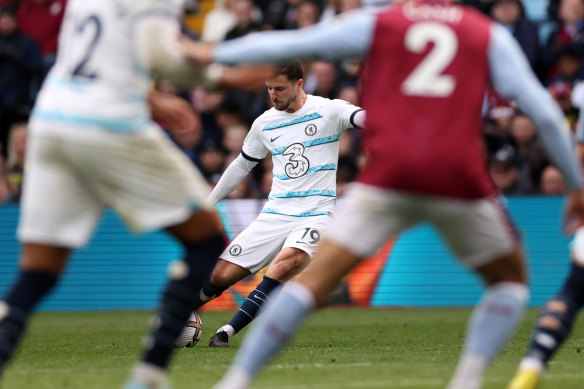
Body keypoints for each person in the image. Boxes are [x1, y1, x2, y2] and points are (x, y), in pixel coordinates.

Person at [180, 2, 584, 389]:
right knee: (510, 285)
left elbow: (290, 43)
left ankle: (236, 379)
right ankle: (469, 379)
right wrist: (576, 186)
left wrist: (208, 49)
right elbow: (544, 112)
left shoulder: (382, 22)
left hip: (390, 176)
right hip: (456, 173)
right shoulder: (486, 32)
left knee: (307, 285)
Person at [0, 1, 269, 389]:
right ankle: (149, 376)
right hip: (108, 123)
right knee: (206, 241)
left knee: (38, 272)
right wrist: (225, 77)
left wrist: (152, 97)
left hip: (52, 119)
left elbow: (101, 52)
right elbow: (164, 54)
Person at [198, 59, 365, 348]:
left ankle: (227, 331)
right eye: (269, 89)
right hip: (275, 213)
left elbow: (363, 118)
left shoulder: (329, 110)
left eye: (279, 88)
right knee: (219, 276)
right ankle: (178, 319)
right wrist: (208, 203)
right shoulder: (264, 123)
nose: (273, 95)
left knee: (285, 263)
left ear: (300, 84)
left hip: (316, 214)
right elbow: (241, 166)